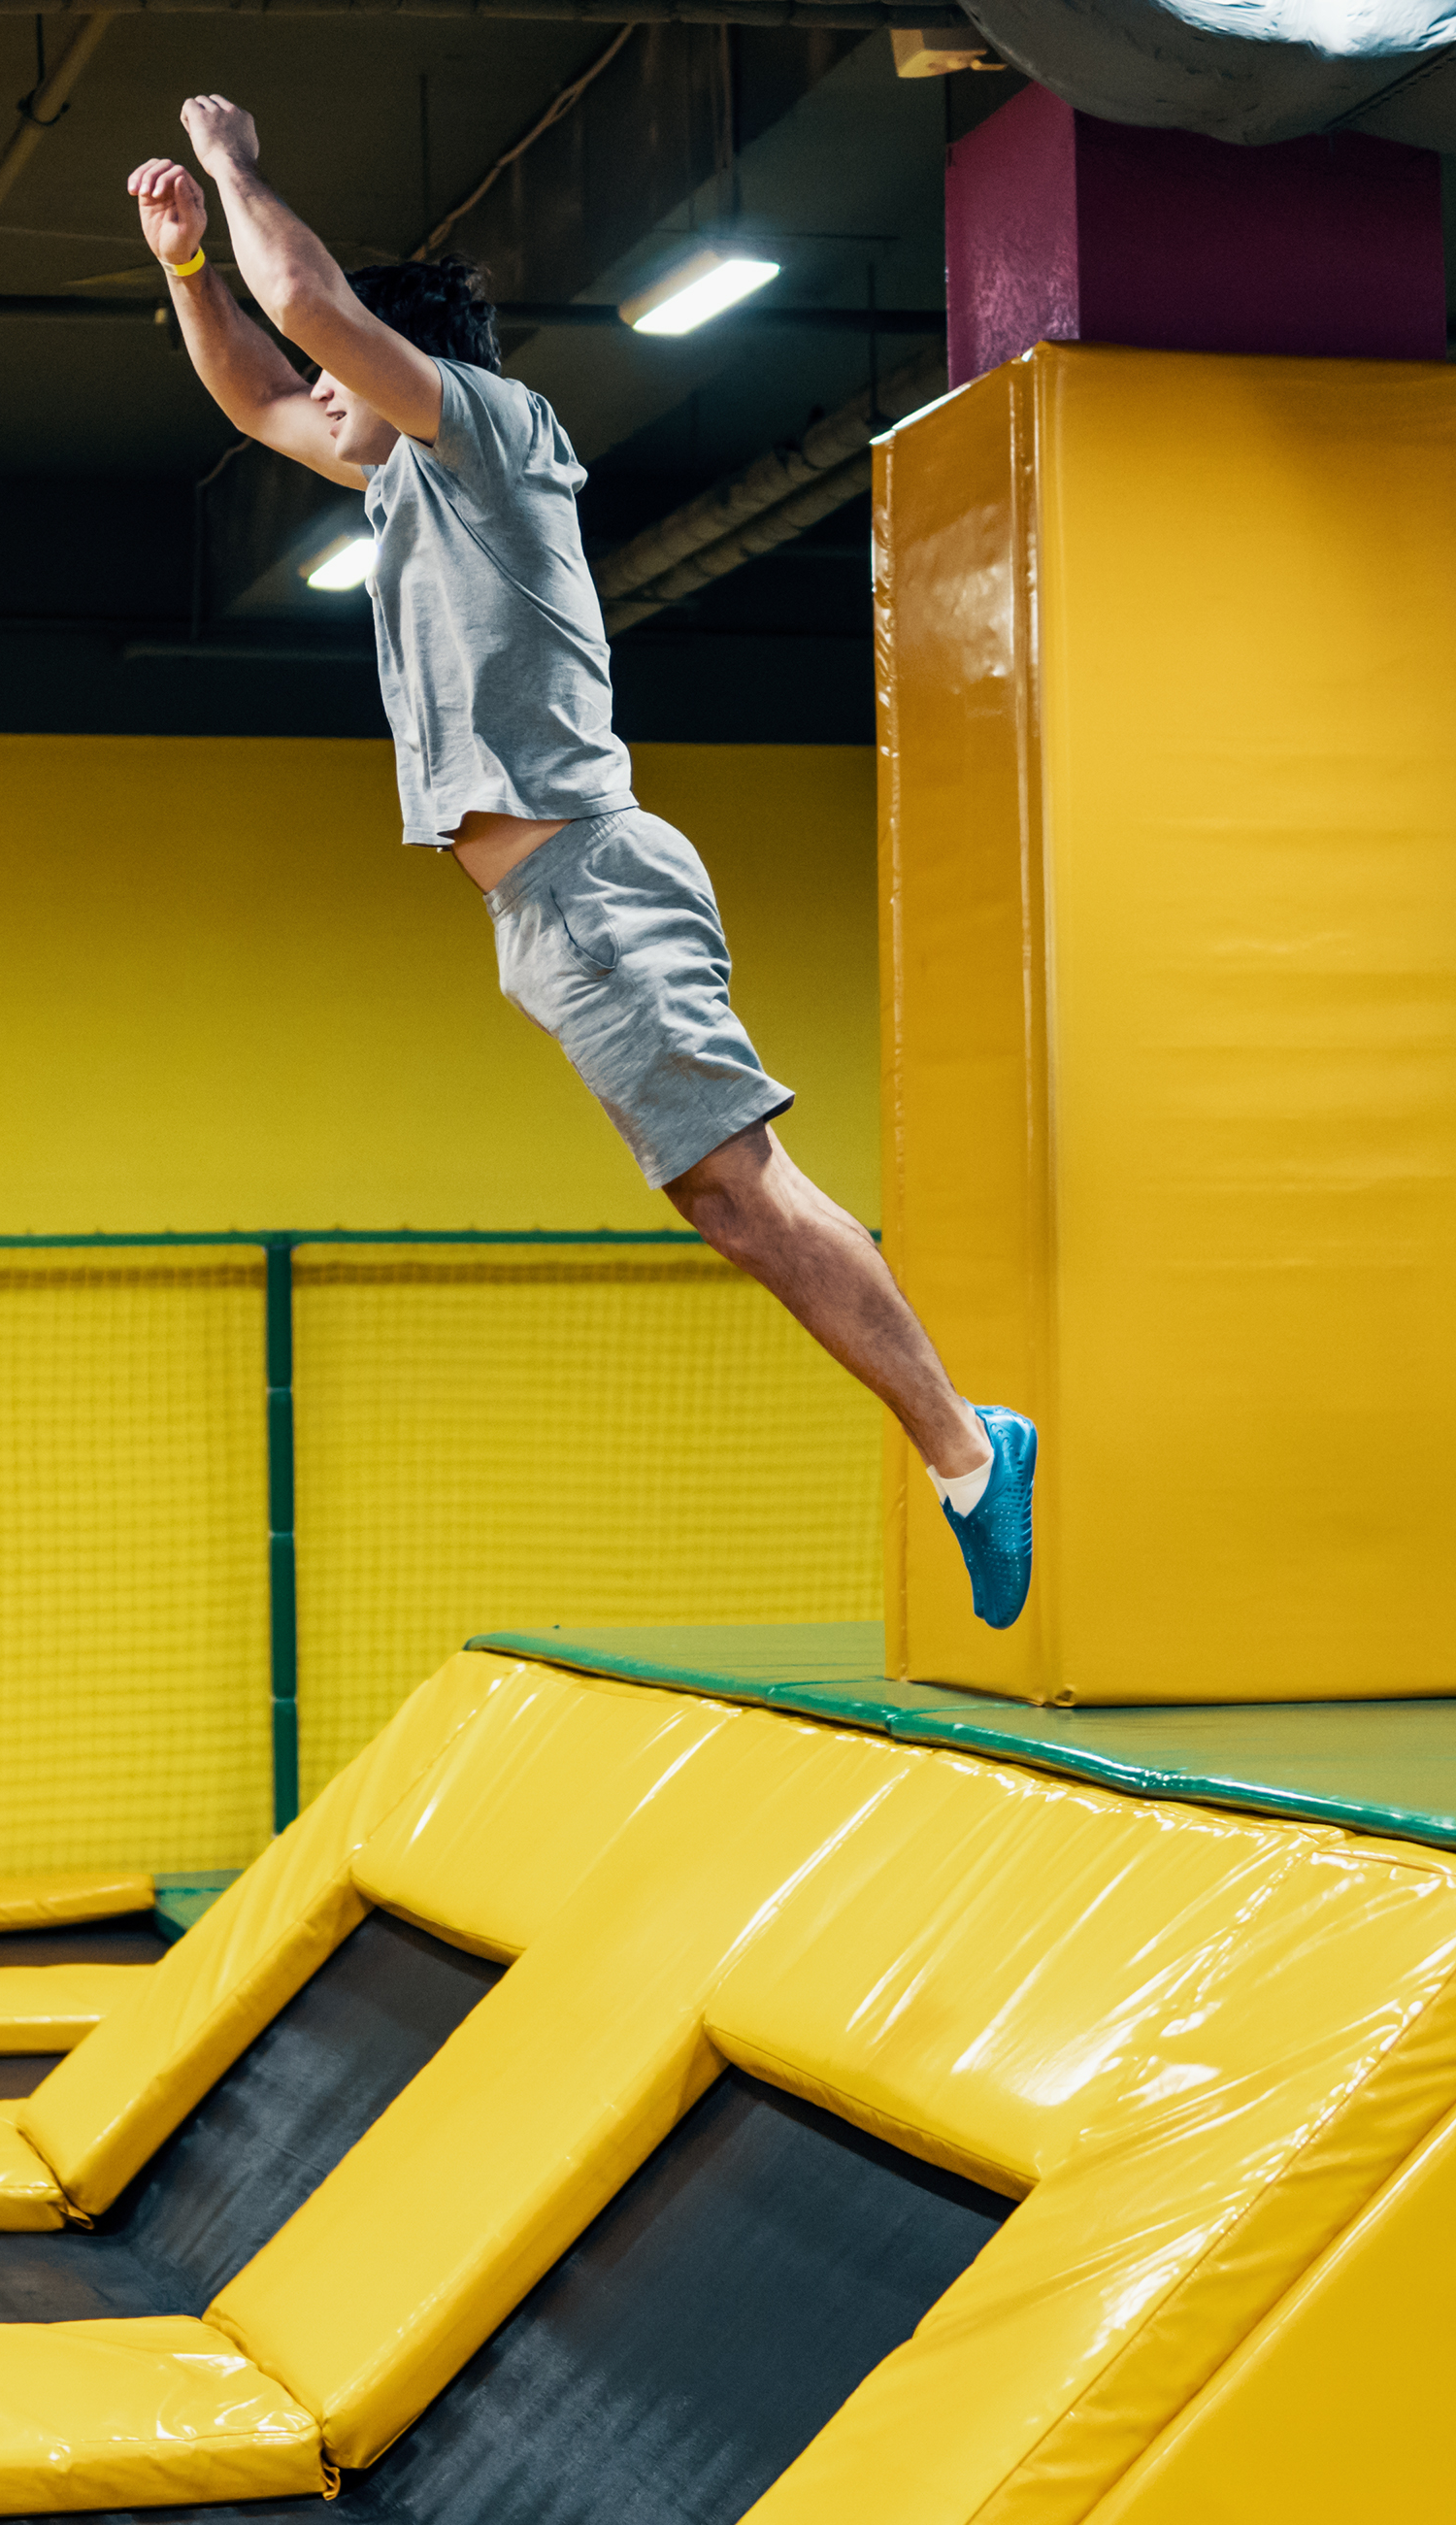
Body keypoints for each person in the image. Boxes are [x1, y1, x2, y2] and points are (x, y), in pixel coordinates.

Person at [128, 95, 1035, 1629]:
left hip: (597, 883)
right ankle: (961, 1443)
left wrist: (232, 171)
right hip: (552, 915)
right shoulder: (401, 474)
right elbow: (255, 389)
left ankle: (967, 1449)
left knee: (741, 1191)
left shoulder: (490, 432)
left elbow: (308, 316)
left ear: (404, 372)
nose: (314, 418)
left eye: (341, 392)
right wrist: (181, 268)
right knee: (726, 1201)